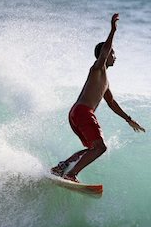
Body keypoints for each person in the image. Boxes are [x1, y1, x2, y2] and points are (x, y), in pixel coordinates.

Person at [51, 13, 145, 183]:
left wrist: (128, 119)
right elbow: (104, 52)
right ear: (105, 54)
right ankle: (71, 174)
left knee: (92, 148)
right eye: (113, 54)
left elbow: (111, 103)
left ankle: (61, 168)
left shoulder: (105, 81)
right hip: (83, 112)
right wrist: (113, 30)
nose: (114, 56)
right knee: (100, 148)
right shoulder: (97, 69)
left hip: (76, 113)